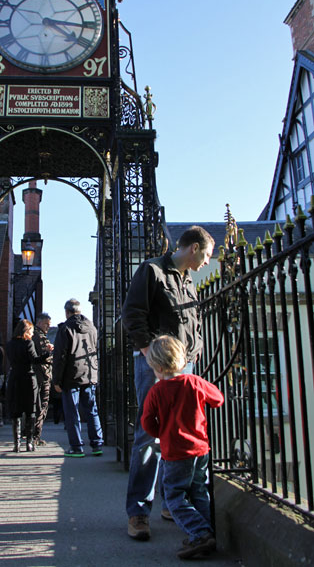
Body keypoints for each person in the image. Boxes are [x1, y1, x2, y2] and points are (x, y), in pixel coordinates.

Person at [121, 225, 215, 540]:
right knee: (149, 435)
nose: (206, 262)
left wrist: (196, 354)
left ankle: (171, 503)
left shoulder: (188, 280)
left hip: (186, 364)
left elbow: (194, 323)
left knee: (178, 433)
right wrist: (150, 353)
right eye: (207, 255)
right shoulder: (152, 270)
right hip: (156, 364)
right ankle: (138, 513)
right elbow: (133, 313)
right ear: (194, 248)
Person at [141, 335, 224, 559]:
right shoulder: (195, 382)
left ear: (157, 367)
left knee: (175, 497)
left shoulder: (156, 391)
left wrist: (162, 434)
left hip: (175, 452)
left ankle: (200, 533)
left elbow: (147, 422)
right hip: (200, 449)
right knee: (199, 491)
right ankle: (208, 532)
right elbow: (218, 399)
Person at [52, 298, 104, 458]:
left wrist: (57, 380)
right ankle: (97, 444)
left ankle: (76, 447)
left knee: (72, 412)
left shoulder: (65, 328)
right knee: (92, 410)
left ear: (67, 312)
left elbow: (60, 356)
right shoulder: (92, 328)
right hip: (89, 373)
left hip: (71, 375)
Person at [6, 319, 52, 453]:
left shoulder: (10, 345)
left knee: (16, 412)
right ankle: (29, 443)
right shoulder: (28, 343)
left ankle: (16, 444)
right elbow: (35, 360)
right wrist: (48, 353)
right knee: (30, 411)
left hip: (15, 378)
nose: (32, 334)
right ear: (26, 331)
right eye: (31, 331)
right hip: (28, 378)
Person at [32, 313, 53, 446]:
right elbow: (44, 357)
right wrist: (51, 352)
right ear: (39, 323)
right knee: (41, 406)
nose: (48, 327)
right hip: (42, 375)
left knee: (35, 405)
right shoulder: (39, 336)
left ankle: (31, 434)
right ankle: (35, 435)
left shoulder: (33, 335)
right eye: (46, 324)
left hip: (36, 375)